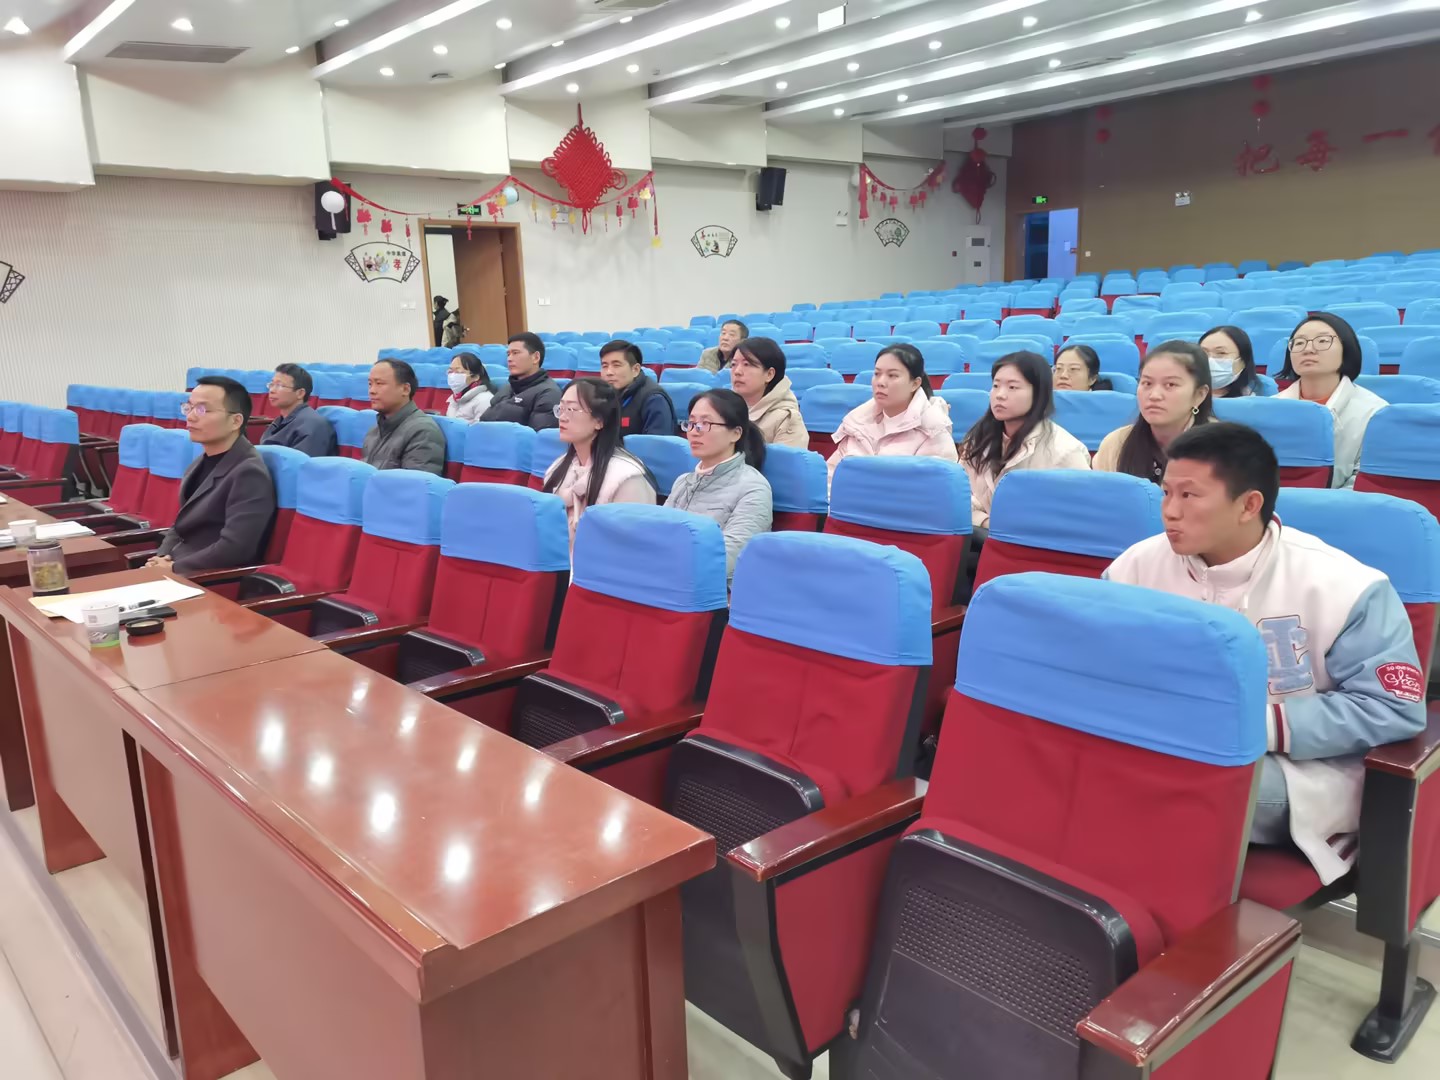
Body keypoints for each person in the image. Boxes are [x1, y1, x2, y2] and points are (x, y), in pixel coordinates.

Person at [1104, 422, 1425, 886]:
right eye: (1166, 492)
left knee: (1171, 786)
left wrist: (1253, 724)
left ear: (1249, 505)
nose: (1169, 511)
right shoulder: (1135, 566)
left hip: (1294, 767)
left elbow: (1392, 708)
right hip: (1159, 740)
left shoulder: (1345, 586)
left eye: (1189, 496)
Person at [146, 376, 276, 575]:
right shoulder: (199, 462)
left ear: (235, 421)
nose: (190, 417)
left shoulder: (248, 473)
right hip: (175, 568)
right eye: (189, 408)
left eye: (202, 410)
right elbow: (180, 525)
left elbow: (236, 548)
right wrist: (160, 558)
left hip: (204, 578)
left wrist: (173, 568)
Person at [958, 351, 1091, 533]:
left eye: (1012, 387)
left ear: (1038, 393)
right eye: (996, 386)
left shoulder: (1065, 451)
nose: (1000, 395)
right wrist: (986, 522)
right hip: (978, 535)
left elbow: (1078, 515)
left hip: (1035, 541)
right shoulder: (977, 440)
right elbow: (959, 495)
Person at [668, 389, 773, 583]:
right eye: (691, 423)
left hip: (713, 591)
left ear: (735, 433)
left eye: (705, 423)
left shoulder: (754, 488)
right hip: (668, 578)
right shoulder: (683, 481)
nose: (694, 431)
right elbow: (660, 534)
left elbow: (728, 559)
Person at [1277, 313, 1386, 489]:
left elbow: (1364, 483)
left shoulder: (1375, 412)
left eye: (1322, 341)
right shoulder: (1270, 408)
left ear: (1346, 349)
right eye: (1299, 343)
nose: (1308, 349)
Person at [543, 378, 657, 545]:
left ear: (599, 421)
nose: (563, 417)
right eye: (561, 408)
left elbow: (631, 545)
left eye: (572, 409)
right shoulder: (558, 468)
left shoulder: (627, 478)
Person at [827, 344, 958, 482]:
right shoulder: (856, 423)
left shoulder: (933, 431)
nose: (880, 382)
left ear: (915, 384)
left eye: (892, 375)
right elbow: (830, 478)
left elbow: (933, 489)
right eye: (877, 374)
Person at [1093, 340, 1215, 482]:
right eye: (1147, 383)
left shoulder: (1224, 448)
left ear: (1199, 395)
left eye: (1170, 384)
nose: (1154, 395)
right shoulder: (1116, 444)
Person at [362, 359, 446, 474]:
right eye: (370, 384)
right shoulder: (374, 430)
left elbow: (415, 483)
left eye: (379, 383)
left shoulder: (423, 432)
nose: (372, 391)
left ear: (405, 389)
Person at [729, 337, 807, 449]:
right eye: (733, 364)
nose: (737, 371)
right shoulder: (724, 409)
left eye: (746, 364)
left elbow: (786, 460)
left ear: (769, 374)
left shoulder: (787, 419)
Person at [478, 332, 561, 431]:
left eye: (515, 353)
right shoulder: (508, 387)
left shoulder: (549, 393)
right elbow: (484, 421)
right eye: (508, 354)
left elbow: (539, 436)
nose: (509, 359)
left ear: (536, 357)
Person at [599, 339, 677, 435]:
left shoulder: (654, 399)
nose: (609, 372)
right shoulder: (601, 395)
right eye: (605, 366)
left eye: (616, 365)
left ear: (635, 370)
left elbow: (656, 442)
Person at [259, 363, 337, 457]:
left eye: (279, 385)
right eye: (271, 384)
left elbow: (303, 463)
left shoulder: (312, 425)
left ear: (300, 393)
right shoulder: (278, 422)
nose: (272, 390)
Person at [1200, 325, 1260, 398]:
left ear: (1242, 361)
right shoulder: (1188, 396)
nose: (1210, 360)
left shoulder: (1253, 398)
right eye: (1203, 352)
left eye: (1221, 353)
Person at [445, 352, 495, 422]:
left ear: (475, 377)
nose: (452, 376)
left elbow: (482, 428)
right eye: (450, 371)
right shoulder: (455, 398)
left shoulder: (484, 400)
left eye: (458, 372)